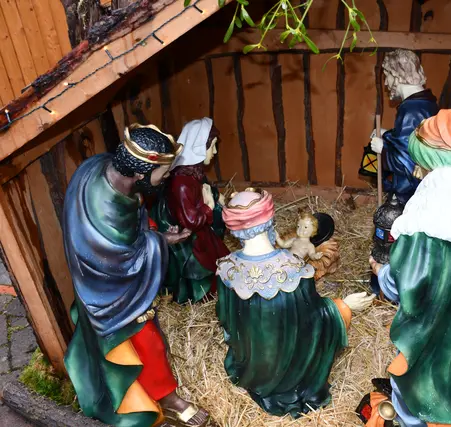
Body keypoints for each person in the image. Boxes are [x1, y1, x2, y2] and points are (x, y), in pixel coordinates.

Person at [62, 124, 209, 427]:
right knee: (148, 343)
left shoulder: (106, 168)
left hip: (114, 281)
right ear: (141, 173)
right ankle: (166, 400)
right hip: (110, 294)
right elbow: (119, 257)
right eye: (163, 173)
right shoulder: (105, 207)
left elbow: (130, 231)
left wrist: (151, 232)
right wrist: (162, 242)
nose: (166, 177)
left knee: (148, 342)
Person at [366, 110, 451, 427]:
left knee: (416, 385)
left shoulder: (428, 217)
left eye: (420, 163)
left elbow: (406, 282)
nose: (417, 172)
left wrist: (381, 272)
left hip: (429, 329)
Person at [215, 188, 375, 418]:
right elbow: (312, 322)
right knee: (338, 310)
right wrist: (342, 306)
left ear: (234, 229)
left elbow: (226, 320)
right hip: (288, 373)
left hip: (251, 367)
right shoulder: (293, 269)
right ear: (270, 220)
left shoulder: (227, 268)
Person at [151, 118, 229, 304]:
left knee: (224, 261)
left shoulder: (193, 172)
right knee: (209, 270)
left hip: (201, 230)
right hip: (188, 238)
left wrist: (216, 196)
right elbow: (190, 221)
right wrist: (209, 207)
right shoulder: (182, 183)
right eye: (212, 146)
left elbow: (204, 188)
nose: (215, 152)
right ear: (199, 147)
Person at [369, 49, 439, 205]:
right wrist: (387, 135)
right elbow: (413, 139)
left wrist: (382, 149)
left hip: (412, 197)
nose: (386, 83)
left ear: (397, 75)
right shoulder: (427, 103)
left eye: (387, 76)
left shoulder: (411, 110)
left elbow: (406, 163)